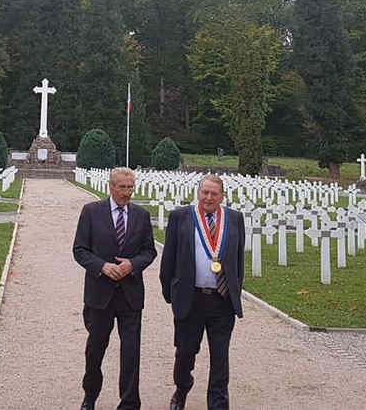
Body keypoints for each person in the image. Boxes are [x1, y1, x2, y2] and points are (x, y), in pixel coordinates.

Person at [73, 167, 157, 410]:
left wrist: (133, 264)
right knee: (95, 349)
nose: (127, 192)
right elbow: (80, 250)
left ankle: (129, 402)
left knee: (131, 352)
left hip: (130, 295)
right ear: (111, 187)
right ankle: (90, 395)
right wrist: (101, 266)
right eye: (122, 187)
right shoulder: (91, 212)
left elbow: (149, 251)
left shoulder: (141, 215)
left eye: (131, 187)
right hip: (100, 295)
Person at [159, 174, 245, 410]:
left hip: (222, 300)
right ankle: (182, 388)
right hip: (191, 299)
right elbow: (168, 260)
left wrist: (235, 291)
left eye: (213, 193)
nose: (208, 197)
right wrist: (171, 293)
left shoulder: (234, 219)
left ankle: (218, 404)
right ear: (198, 193)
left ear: (222, 196)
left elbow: (238, 260)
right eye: (204, 192)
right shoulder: (180, 217)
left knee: (220, 357)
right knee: (185, 352)